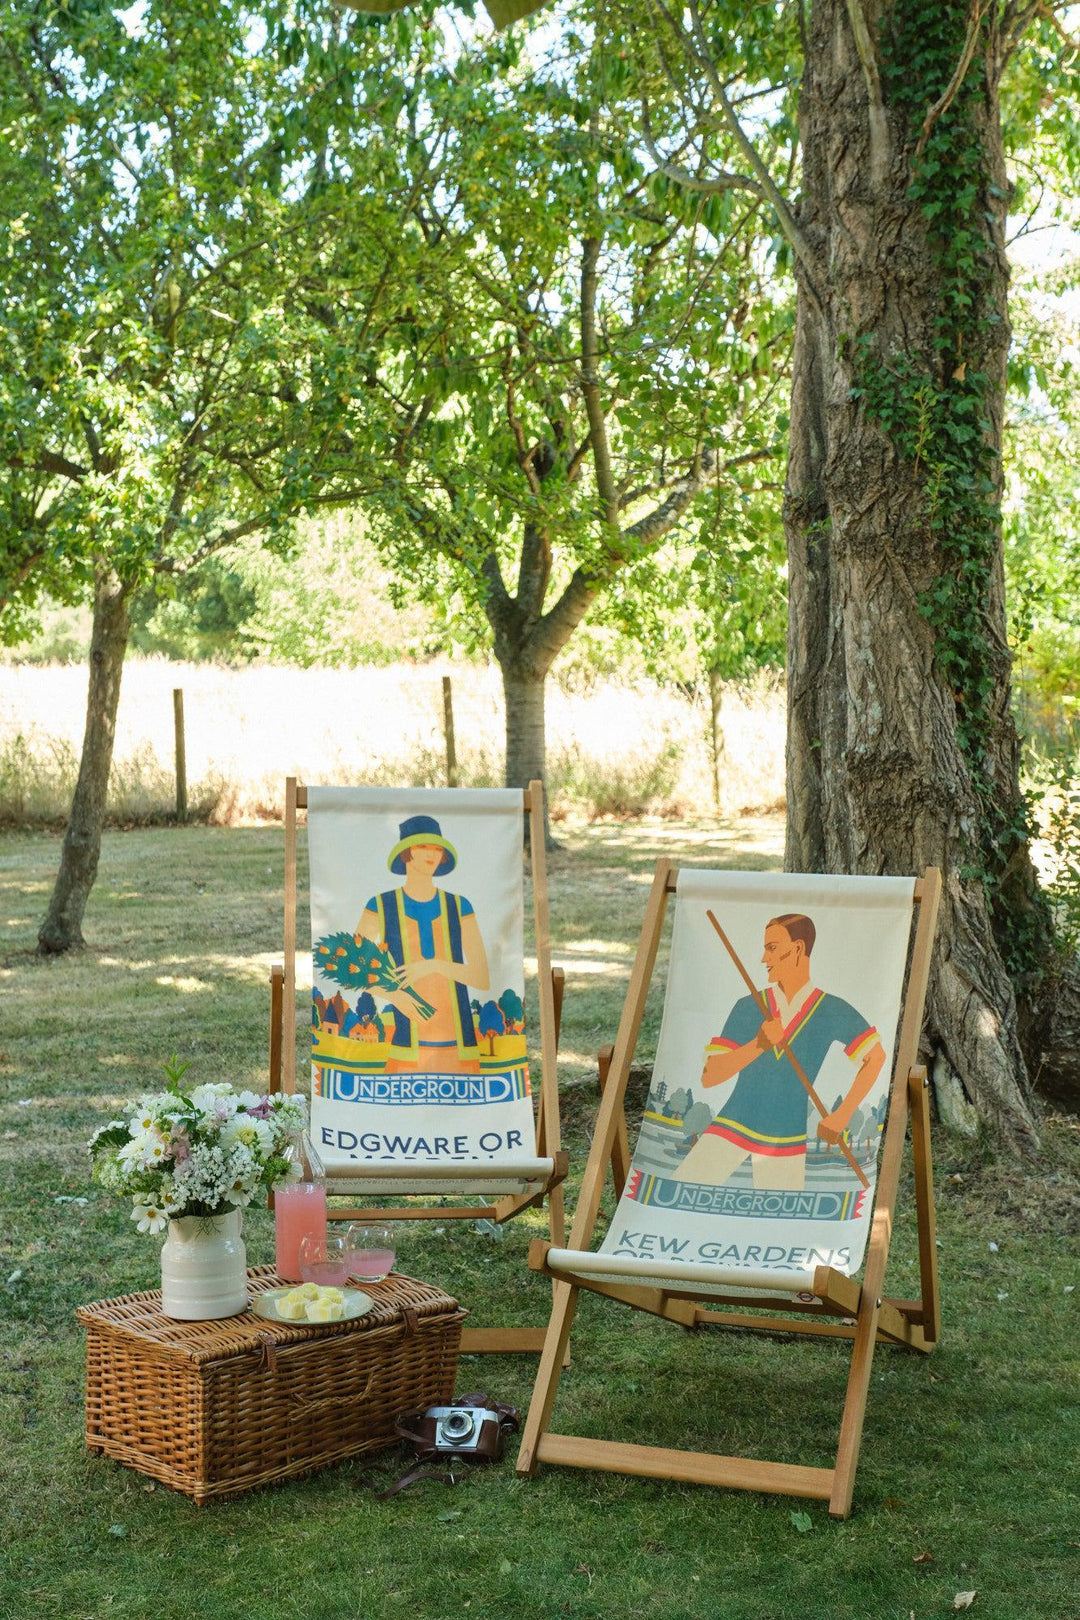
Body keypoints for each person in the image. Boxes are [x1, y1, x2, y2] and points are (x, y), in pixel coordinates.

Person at [672, 913, 885, 1192]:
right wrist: (758, 1045)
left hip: (786, 1138)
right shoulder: (749, 1006)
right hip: (732, 1125)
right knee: (681, 1195)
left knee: (780, 1220)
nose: (763, 959)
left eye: (771, 948)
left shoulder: (830, 1009)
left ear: (797, 949)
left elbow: (876, 1056)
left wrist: (842, 1115)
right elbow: (710, 1076)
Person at [355, 815, 490, 1075]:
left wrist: (433, 966)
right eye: (422, 847)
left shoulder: (460, 906)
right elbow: (348, 965)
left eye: (437, 848)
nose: (431, 854)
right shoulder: (381, 906)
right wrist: (395, 996)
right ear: (406, 853)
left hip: (459, 1044)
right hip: (405, 1044)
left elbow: (481, 977)